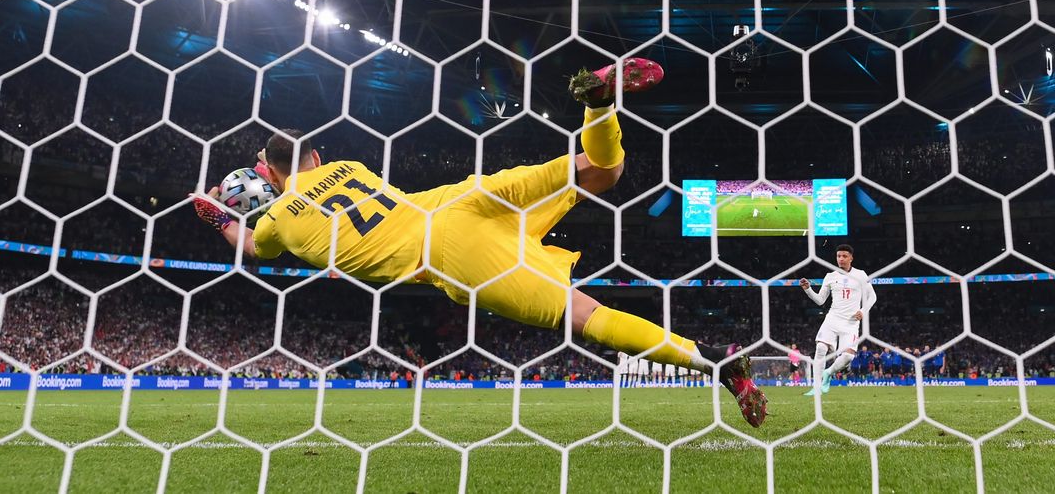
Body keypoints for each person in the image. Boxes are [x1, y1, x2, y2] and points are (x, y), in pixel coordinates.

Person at [193, 58, 767, 427]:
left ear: (269, 175)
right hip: (462, 196)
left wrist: (217, 213)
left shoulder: (279, 220)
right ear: (315, 156)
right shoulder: (347, 164)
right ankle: (597, 102)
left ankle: (713, 363)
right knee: (597, 170)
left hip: (445, 248)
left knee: (584, 314)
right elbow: (306, 177)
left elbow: (252, 247)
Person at [799, 244, 876, 395]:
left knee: (848, 356)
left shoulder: (860, 275)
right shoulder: (830, 276)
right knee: (821, 348)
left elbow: (872, 296)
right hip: (832, 319)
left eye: (844, 256)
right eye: (839, 256)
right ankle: (817, 387)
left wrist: (862, 310)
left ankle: (828, 373)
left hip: (851, 322)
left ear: (851, 258)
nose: (841, 259)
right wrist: (808, 289)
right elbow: (820, 300)